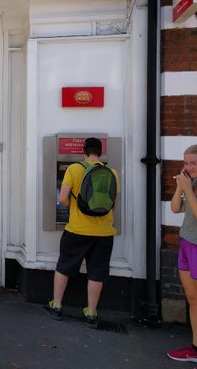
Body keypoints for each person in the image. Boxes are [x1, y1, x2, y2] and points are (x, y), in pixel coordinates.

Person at [43, 137, 120, 328]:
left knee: (64, 267)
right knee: (97, 271)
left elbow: (63, 198)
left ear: (84, 151)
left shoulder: (74, 169)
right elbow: (113, 204)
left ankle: (57, 306)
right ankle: (92, 313)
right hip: (104, 232)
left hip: (77, 230)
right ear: (101, 153)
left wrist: (75, 208)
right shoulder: (112, 172)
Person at [166, 142, 197, 368]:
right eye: (186, 162)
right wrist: (180, 187)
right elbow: (175, 208)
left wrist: (189, 189)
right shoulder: (192, 182)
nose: (189, 167)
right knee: (194, 300)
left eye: (194, 163)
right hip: (187, 244)